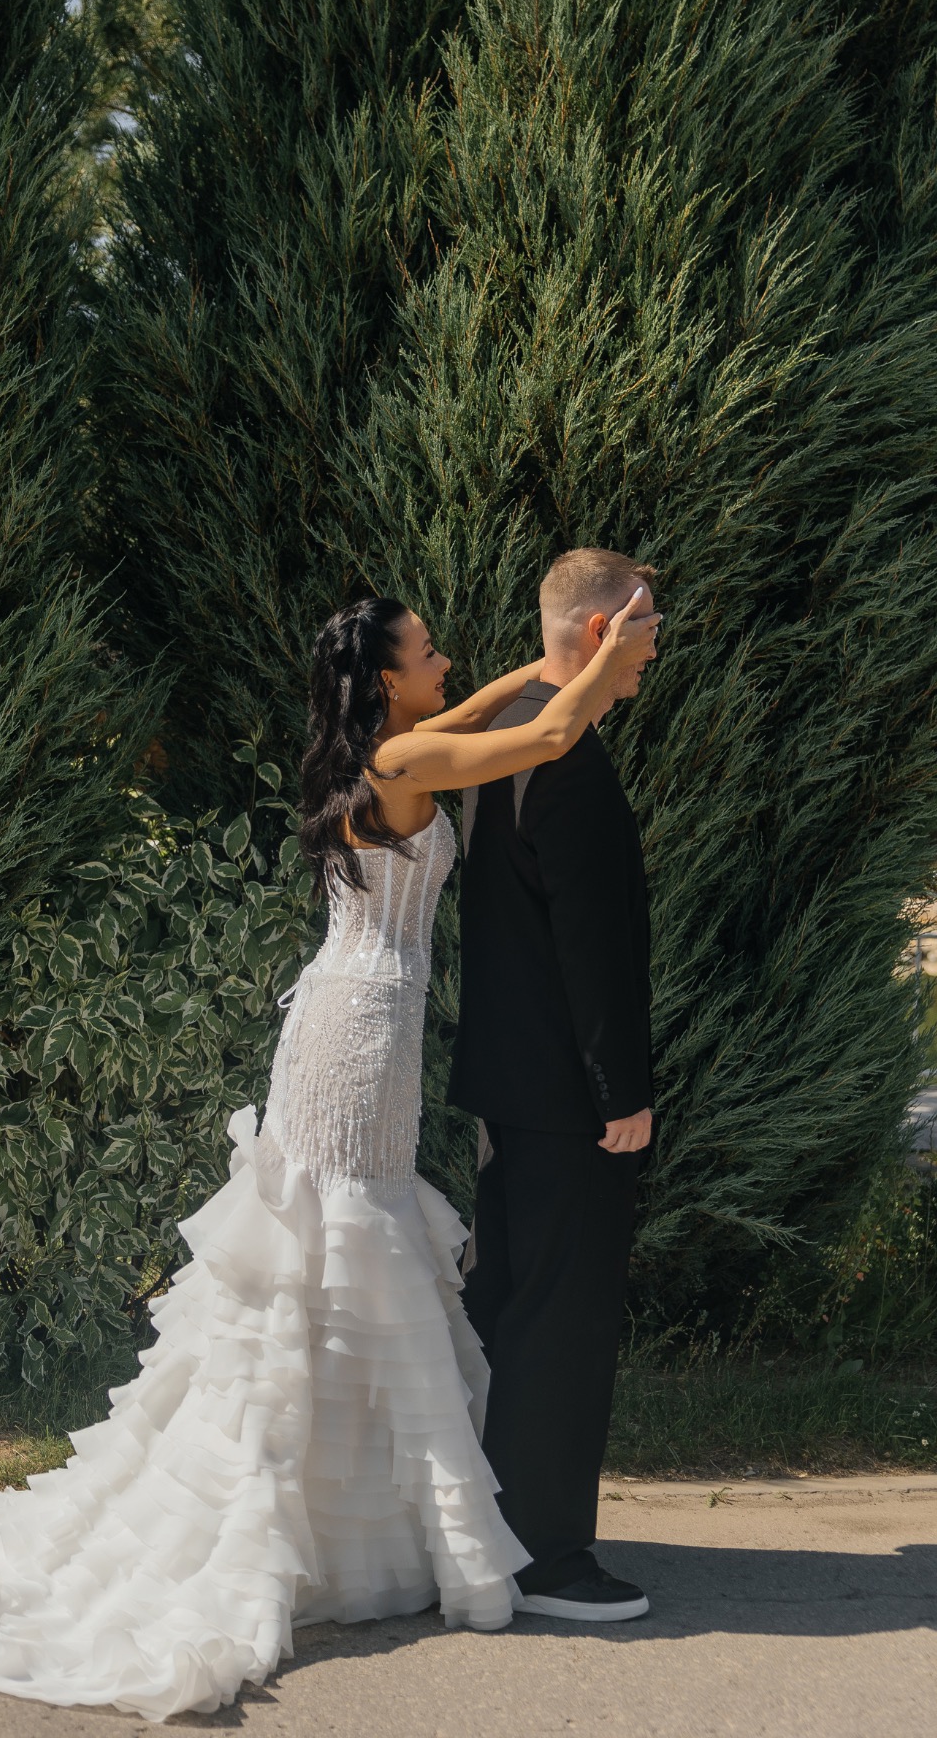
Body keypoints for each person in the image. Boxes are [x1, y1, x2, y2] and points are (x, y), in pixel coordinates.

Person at [0, 584, 660, 1721]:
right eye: (427, 654)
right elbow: (551, 734)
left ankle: (338, 1519)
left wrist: (549, 663)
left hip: (368, 1027)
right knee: (329, 1254)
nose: (446, 664)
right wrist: (599, 659)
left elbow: (498, 709)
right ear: (387, 683)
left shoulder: (393, 745)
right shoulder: (405, 757)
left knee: (346, 1255)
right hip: (354, 1033)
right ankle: (265, 1518)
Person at [450, 548, 659, 1623]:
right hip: (566, 1092)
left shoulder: (511, 730)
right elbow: (589, 943)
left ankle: (487, 1532)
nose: (652, 650)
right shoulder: (558, 754)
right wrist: (619, 1089)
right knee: (559, 1321)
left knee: (507, 1307)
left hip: (512, 1079)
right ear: (597, 631)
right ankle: (544, 1561)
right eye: (643, 628)